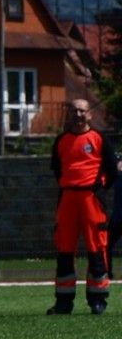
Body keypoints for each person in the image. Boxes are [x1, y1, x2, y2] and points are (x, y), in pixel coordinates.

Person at [48, 99, 116, 315]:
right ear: (69, 114)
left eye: (82, 111)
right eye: (74, 110)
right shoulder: (61, 140)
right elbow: (57, 170)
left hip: (91, 199)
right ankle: (63, 302)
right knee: (64, 249)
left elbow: (112, 170)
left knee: (96, 248)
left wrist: (98, 188)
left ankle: (98, 300)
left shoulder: (98, 139)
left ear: (89, 115)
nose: (78, 114)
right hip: (67, 198)